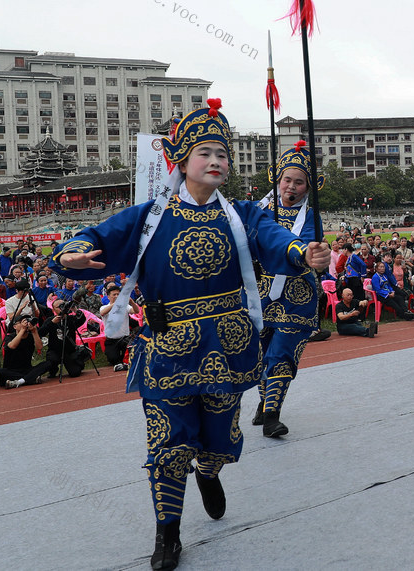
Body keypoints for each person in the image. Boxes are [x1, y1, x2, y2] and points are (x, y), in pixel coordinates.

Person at [51, 100, 331, 570]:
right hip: (167, 350)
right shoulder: (148, 217)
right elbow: (96, 236)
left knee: (218, 436)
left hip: (227, 345)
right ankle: (168, 534)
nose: (217, 161)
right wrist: (73, 252)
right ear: (181, 161)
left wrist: (303, 253)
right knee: (167, 444)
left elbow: (275, 240)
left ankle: (210, 469)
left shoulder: (242, 214)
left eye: (222, 153)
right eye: (206, 152)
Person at [253, 143, 323, 438]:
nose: (291, 187)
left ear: (308, 187)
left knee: (281, 354)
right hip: (259, 293)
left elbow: (307, 248)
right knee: (259, 353)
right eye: (286, 180)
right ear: (277, 180)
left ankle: (272, 415)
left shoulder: (310, 218)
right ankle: (263, 402)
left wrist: (307, 255)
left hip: (296, 295)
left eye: (298, 182)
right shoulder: (261, 212)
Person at [0, 316, 49, 388]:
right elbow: (12, 346)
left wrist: (34, 331)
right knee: (0, 373)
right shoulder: (10, 337)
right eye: (21, 322)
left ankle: (20, 381)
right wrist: (22, 330)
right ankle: (30, 379)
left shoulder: (31, 336)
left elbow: (39, 347)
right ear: (15, 326)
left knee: (47, 363)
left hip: (27, 369)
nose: (25, 324)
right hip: (11, 370)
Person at [100, 283, 140, 373]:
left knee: (129, 356)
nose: (117, 296)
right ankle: (121, 363)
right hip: (111, 340)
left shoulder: (125, 306)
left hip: (124, 338)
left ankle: (124, 364)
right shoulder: (104, 307)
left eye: (118, 294)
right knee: (113, 360)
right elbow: (102, 313)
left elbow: (136, 311)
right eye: (114, 295)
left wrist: (132, 302)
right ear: (108, 296)